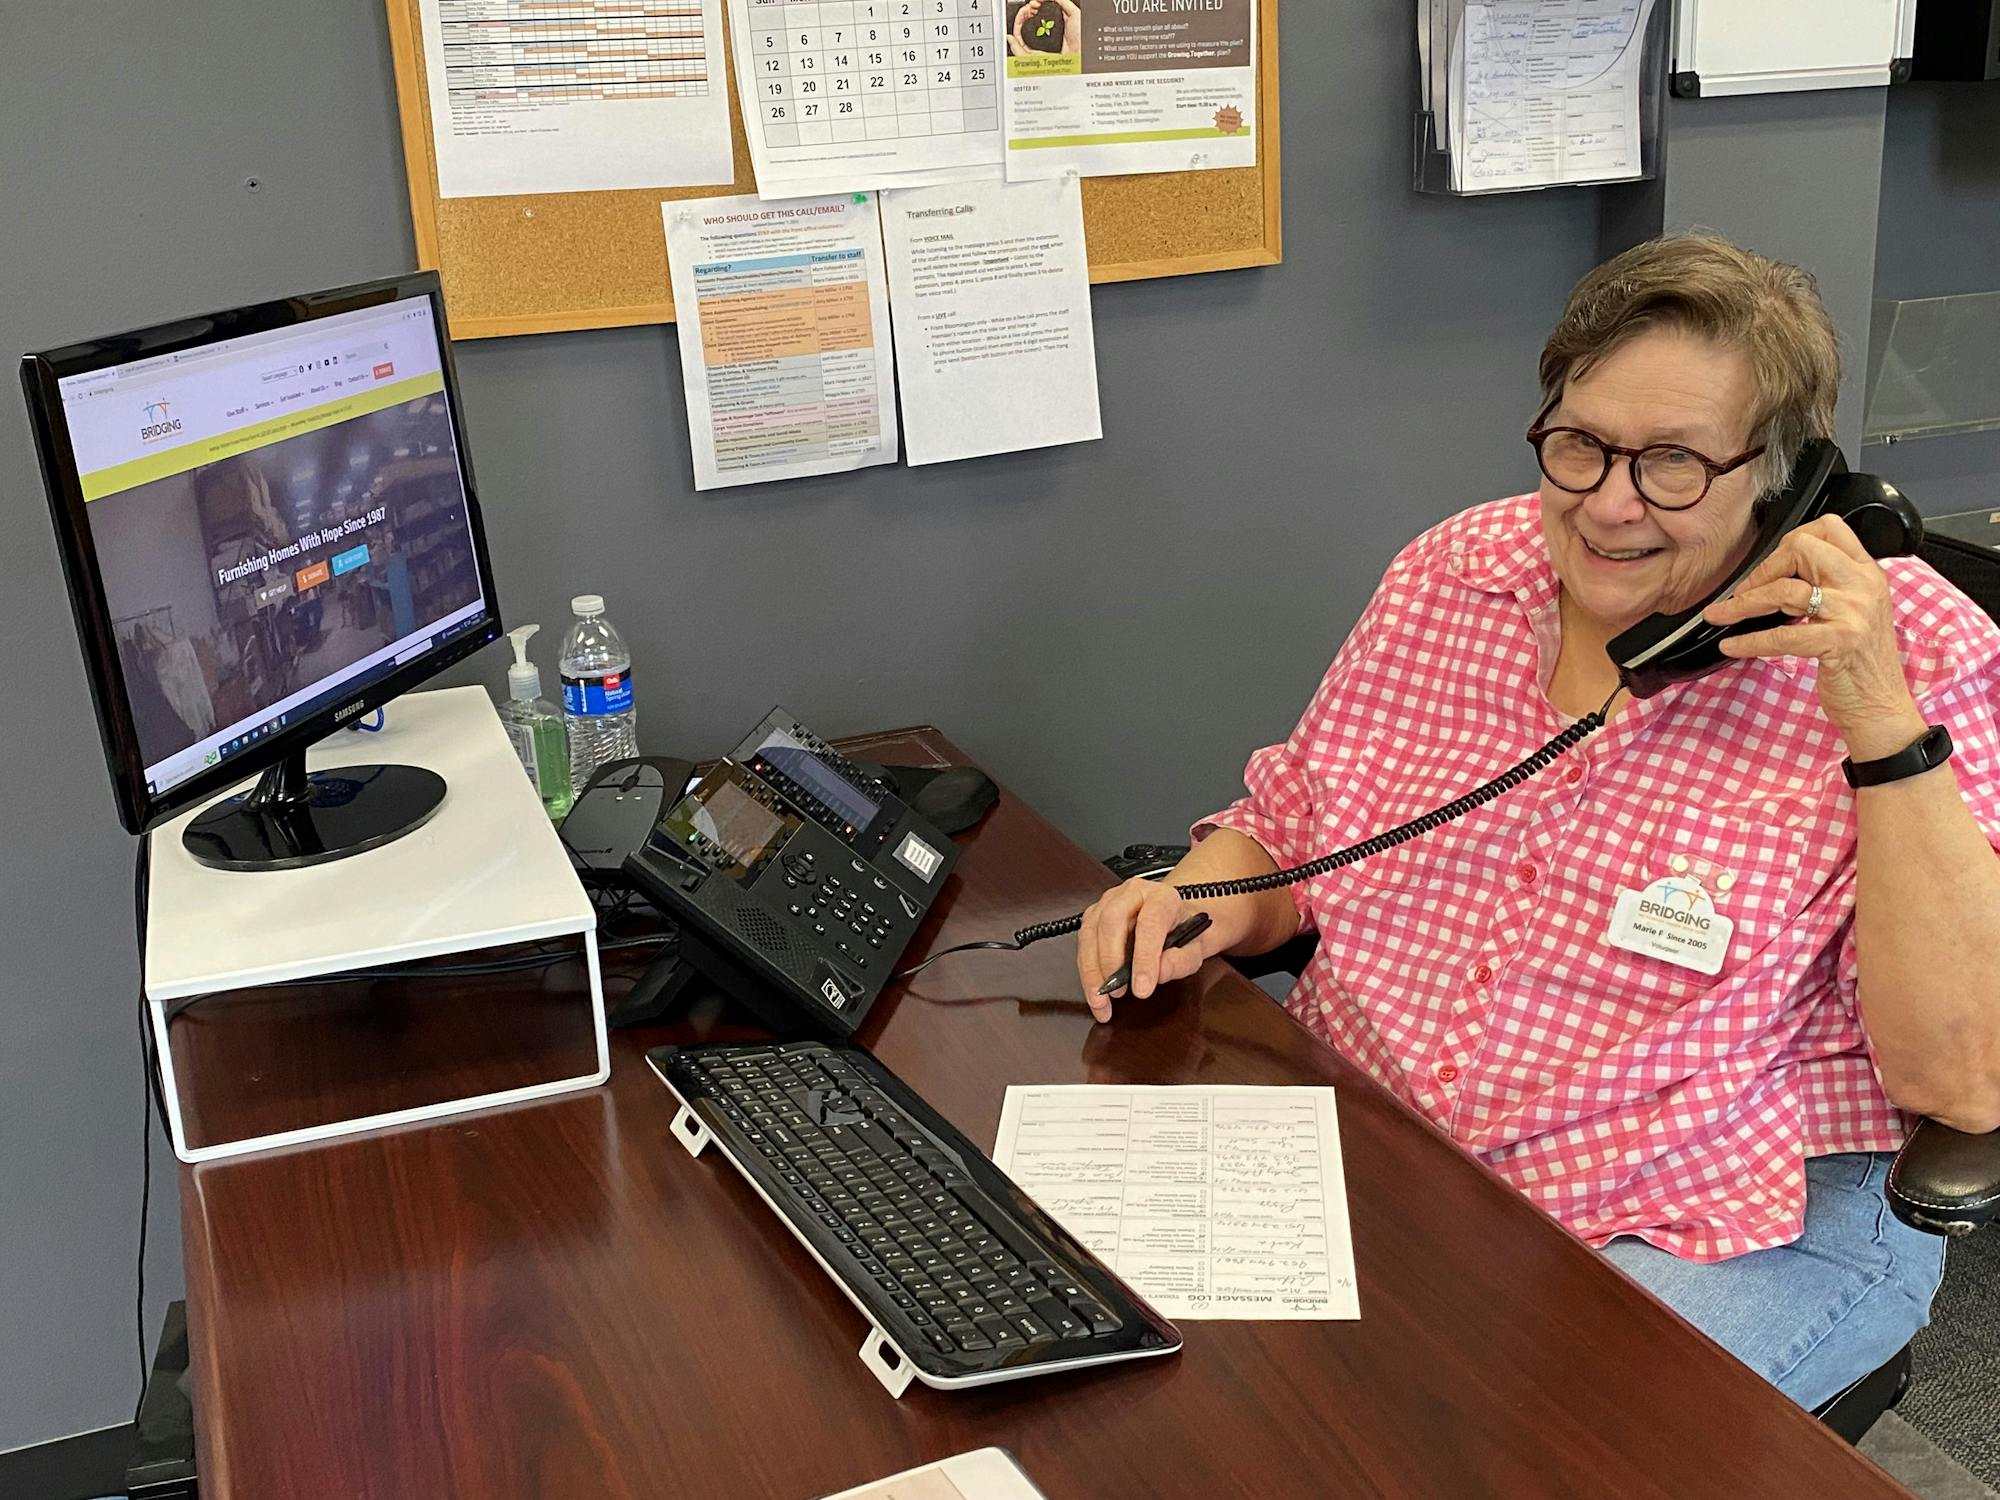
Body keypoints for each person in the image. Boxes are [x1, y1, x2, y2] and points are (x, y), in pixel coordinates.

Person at [1077, 232, 2000, 1410]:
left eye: (1671, 462)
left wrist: (1875, 715)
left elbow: (1966, 1083)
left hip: (1710, 1214)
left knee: (1462, 1454)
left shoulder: (1907, 655)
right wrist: (1199, 897)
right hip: (1374, 1147)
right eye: (1577, 447)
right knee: (1111, 1365)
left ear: (1784, 477)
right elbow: (1295, 830)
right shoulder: (1456, 573)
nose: (1607, 505)